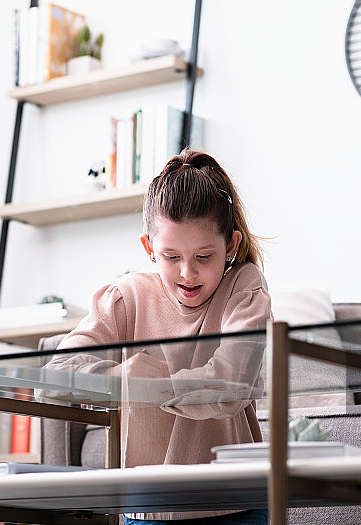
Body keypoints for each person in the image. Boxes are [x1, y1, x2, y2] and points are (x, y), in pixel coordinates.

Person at [46, 149, 271, 525]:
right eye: (171, 256)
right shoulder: (126, 296)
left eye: (204, 256)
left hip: (235, 503)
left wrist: (158, 386)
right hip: (146, 509)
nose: (188, 273)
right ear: (149, 248)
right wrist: (118, 378)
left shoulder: (243, 286)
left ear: (230, 245)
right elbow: (53, 378)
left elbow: (232, 384)